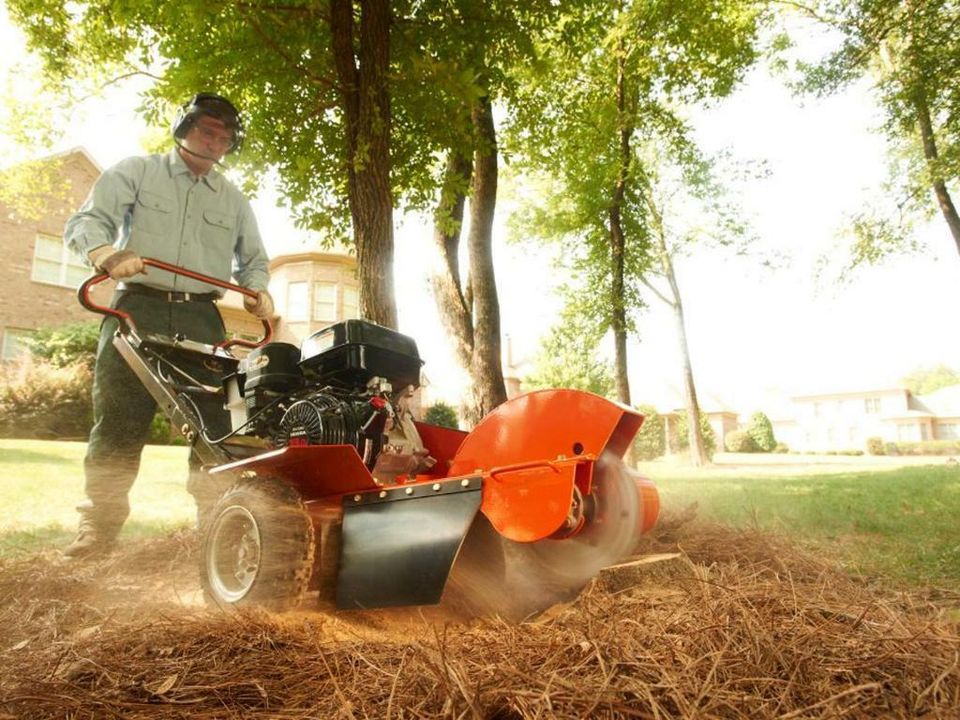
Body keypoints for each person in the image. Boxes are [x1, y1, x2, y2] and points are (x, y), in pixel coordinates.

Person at [62, 92, 273, 558]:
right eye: (207, 132)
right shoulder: (137, 172)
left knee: (216, 422)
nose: (215, 143)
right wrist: (106, 255)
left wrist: (258, 290)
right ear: (184, 129)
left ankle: (214, 526)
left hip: (202, 315)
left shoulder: (234, 199)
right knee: (119, 419)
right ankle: (98, 528)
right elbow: (86, 222)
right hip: (137, 307)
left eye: (224, 138)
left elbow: (254, 260)